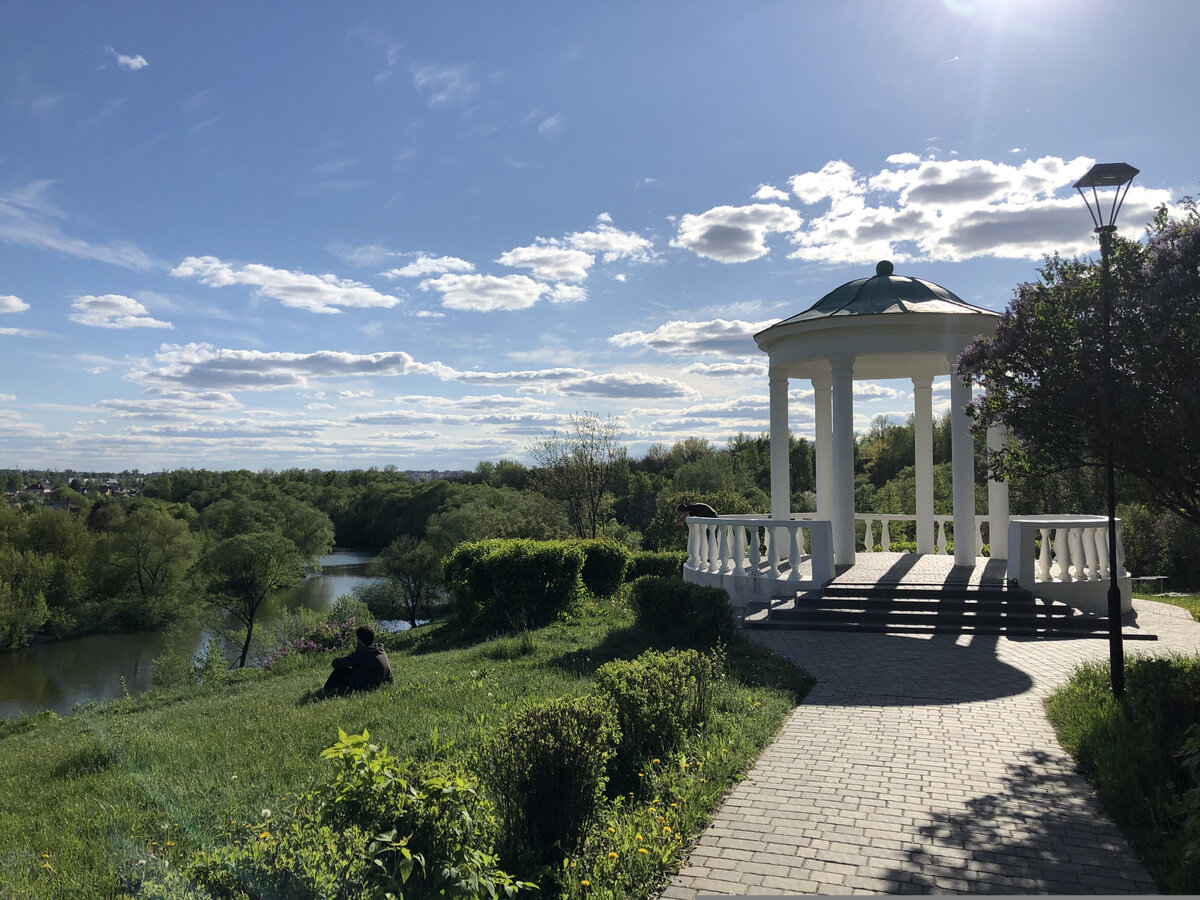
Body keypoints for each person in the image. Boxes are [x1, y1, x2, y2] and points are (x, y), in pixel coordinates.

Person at [318, 625, 393, 698]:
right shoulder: (380, 650)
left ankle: (325, 691)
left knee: (340, 670)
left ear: (360, 640)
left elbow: (336, 663)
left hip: (364, 688)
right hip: (379, 684)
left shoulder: (362, 653)